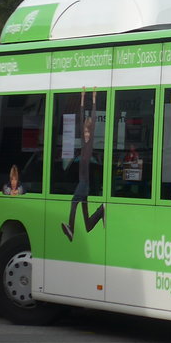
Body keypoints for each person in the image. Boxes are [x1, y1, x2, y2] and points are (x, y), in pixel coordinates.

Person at [62, 89, 106, 241]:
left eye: (88, 131)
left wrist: (94, 99)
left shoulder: (90, 142)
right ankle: (100, 211)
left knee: (74, 201)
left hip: (84, 182)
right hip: (83, 182)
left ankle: (71, 229)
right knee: (87, 224)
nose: (86, 133)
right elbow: (81, 115)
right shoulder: (82, 141)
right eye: (85, 131)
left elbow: (92, 117)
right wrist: (82, 97)